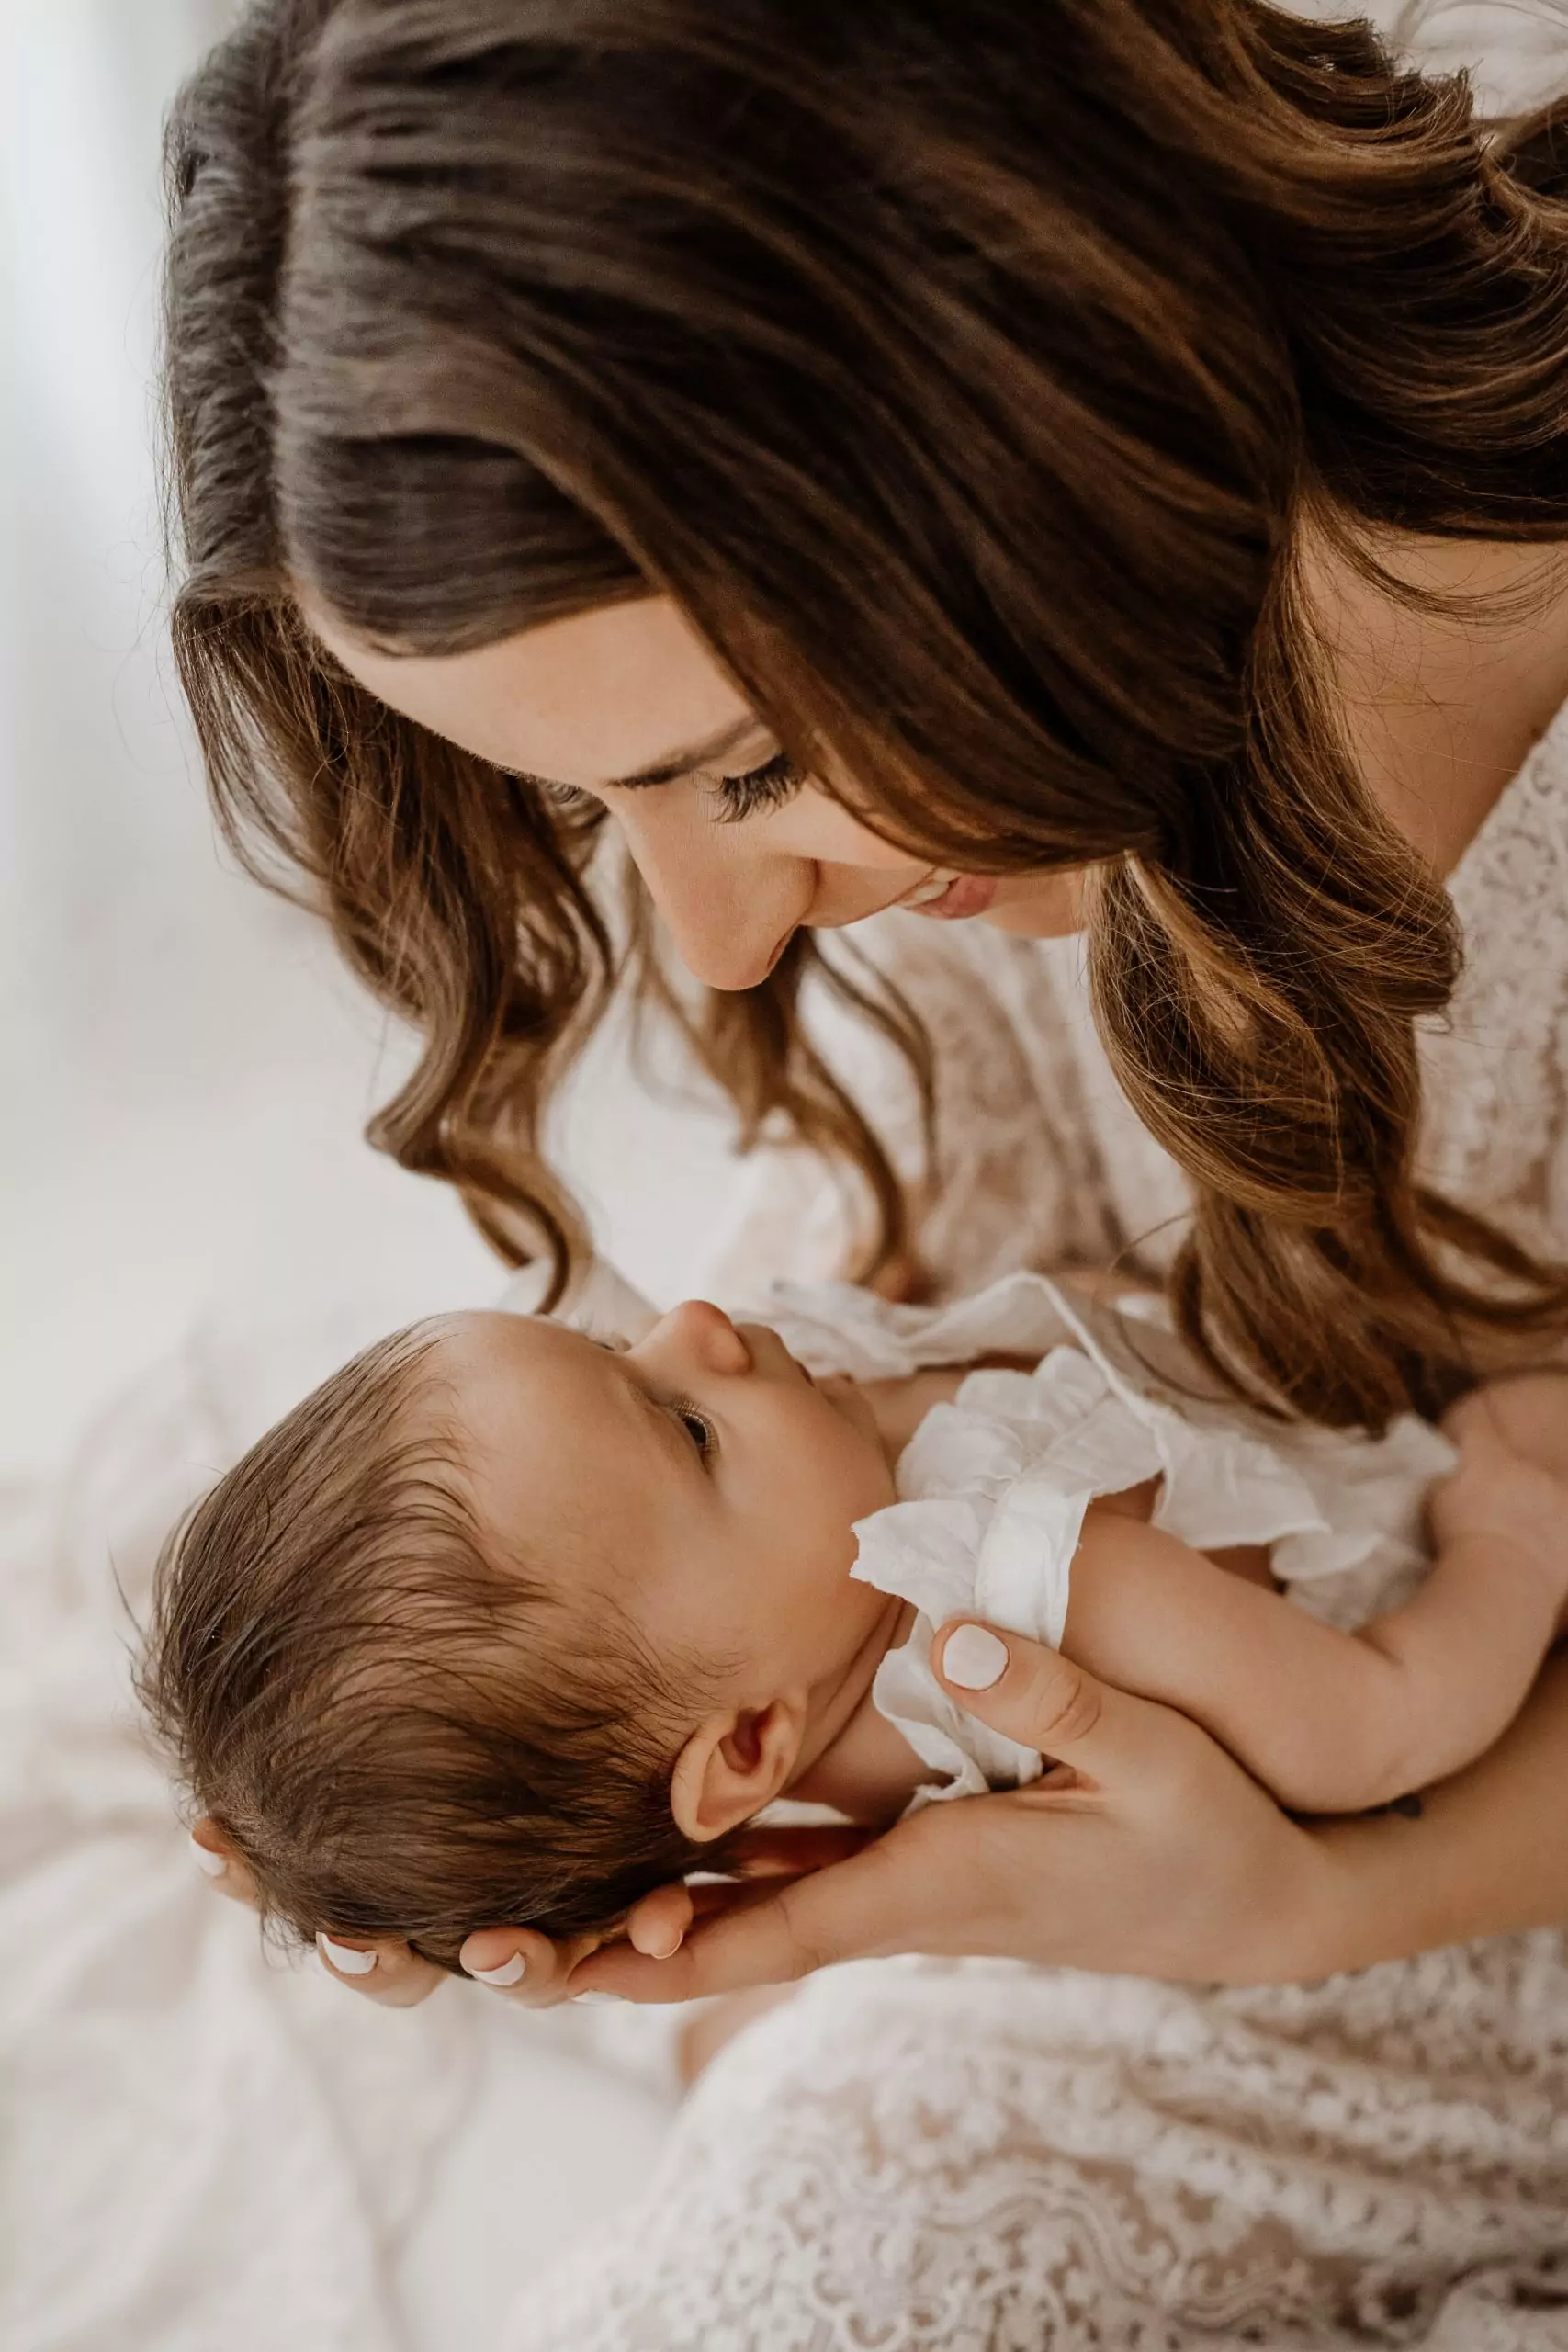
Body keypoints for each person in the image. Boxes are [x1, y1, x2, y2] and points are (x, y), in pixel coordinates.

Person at [162, 0, 1568, 2335]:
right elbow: (941, 1270)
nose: (720, 941)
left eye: (743, 771)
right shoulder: (970, 765)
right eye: (590, 801)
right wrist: (532, 1749)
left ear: (1024, 424)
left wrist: (1310, 1904)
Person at [152, 1278, 1568, 1969]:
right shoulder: (1040, 1598)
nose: (694, 1320)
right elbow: (1381, 1724)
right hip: (1482, 1627)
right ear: (750, 1745)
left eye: (605, 1342)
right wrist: (1508, 1526)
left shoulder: (793, 1560)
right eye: (684, 1425)